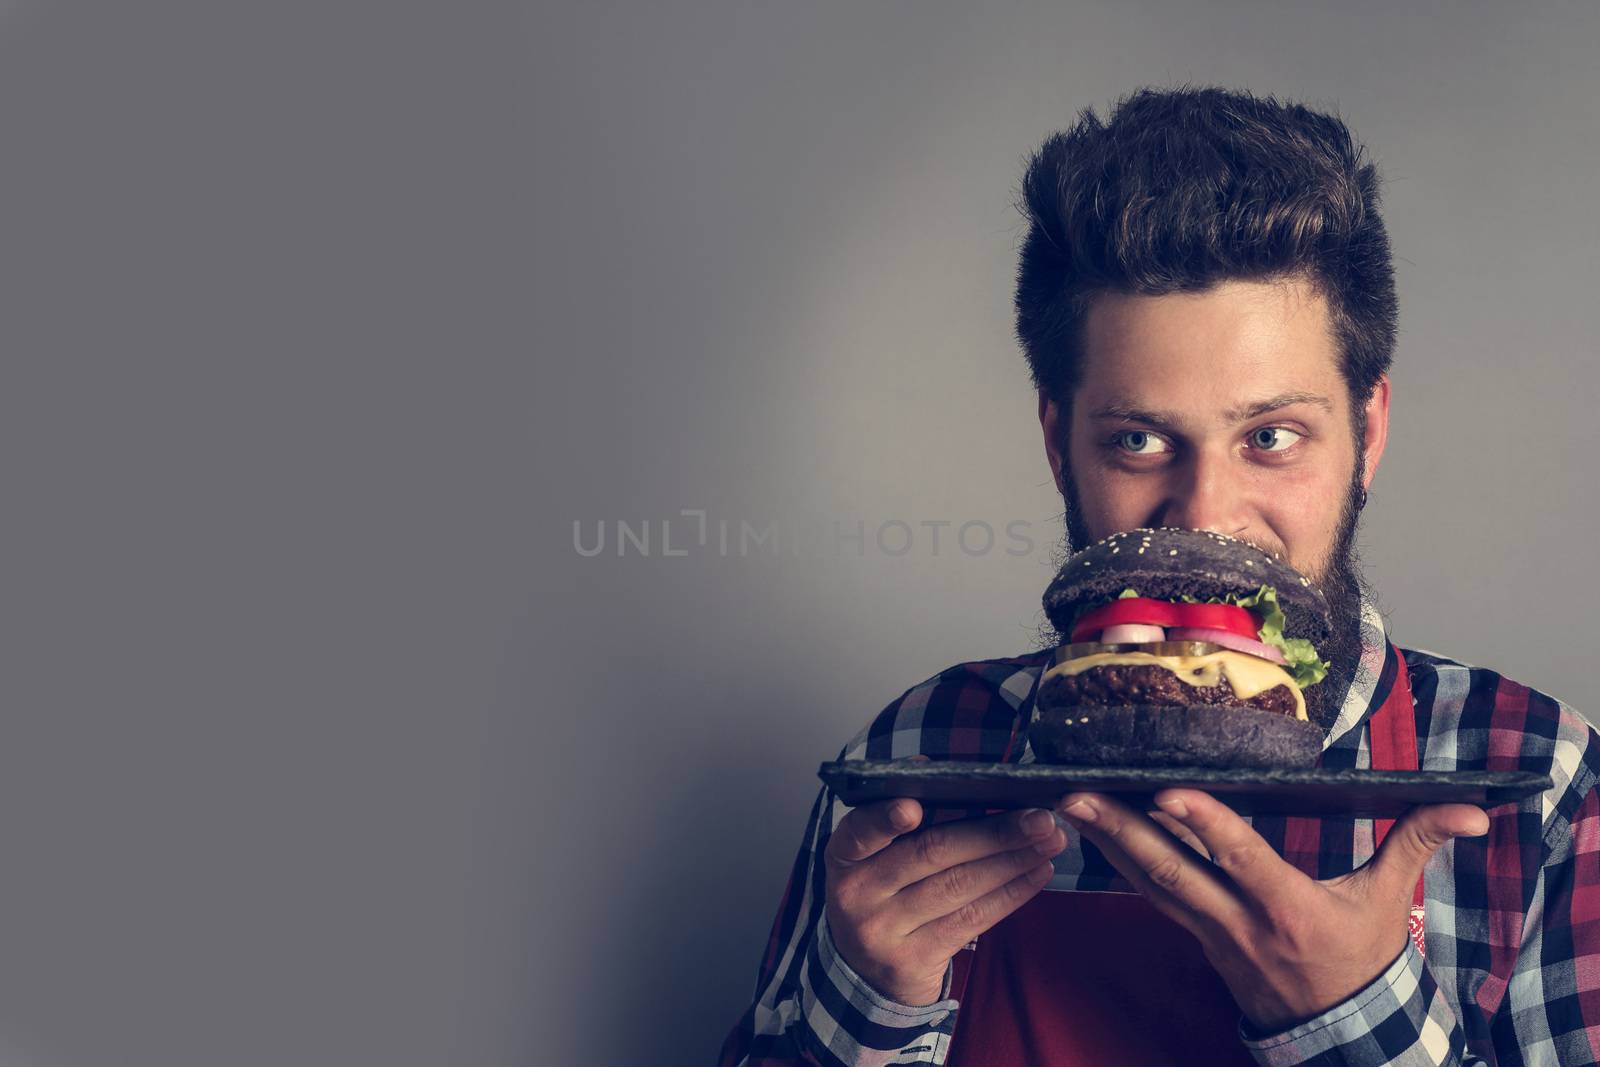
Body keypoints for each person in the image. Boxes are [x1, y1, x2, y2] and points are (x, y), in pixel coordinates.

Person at [719, 86, 1599, 1066]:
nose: (1203, 515)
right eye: (1137, 439)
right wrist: (861, 1011)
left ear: (1368, 431)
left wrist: (1356, 1017)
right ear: (1060, 445)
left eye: (1271, 436)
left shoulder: (1543, 789)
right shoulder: (917, 759)